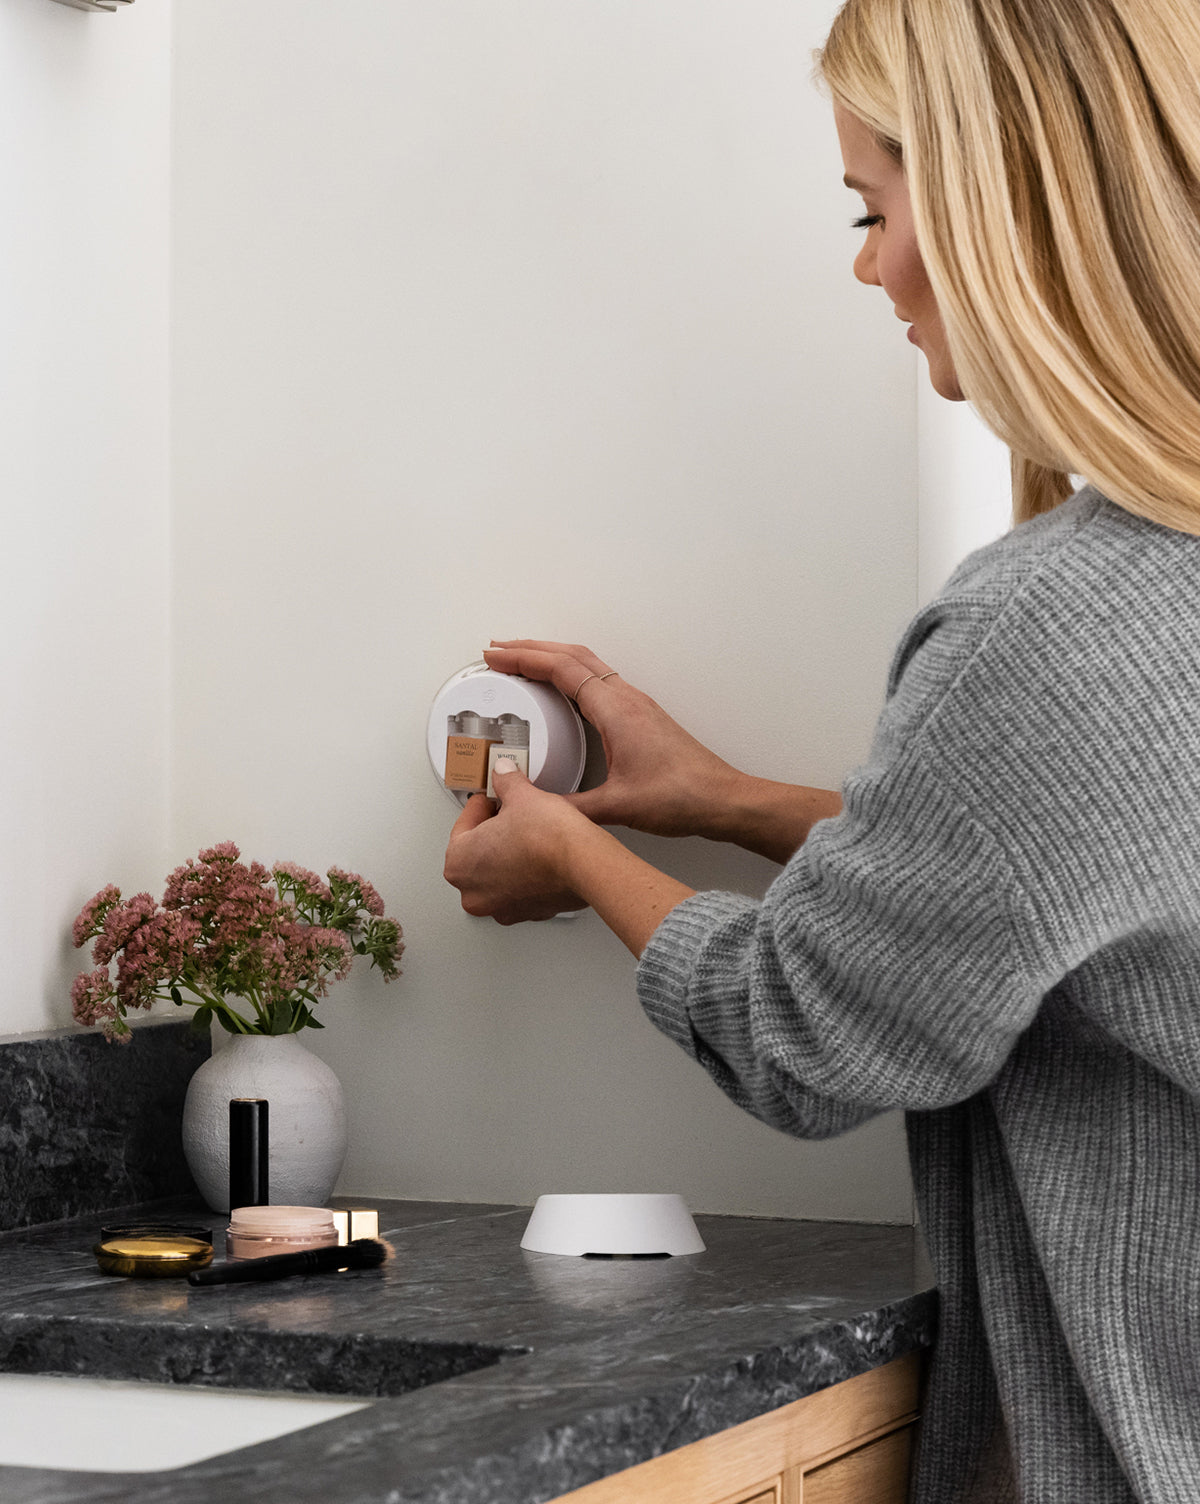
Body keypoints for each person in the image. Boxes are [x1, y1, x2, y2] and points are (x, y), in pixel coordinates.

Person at [443, 1, 1200, 1498]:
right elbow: (1088, 900)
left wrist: (573, 847)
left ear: (1005, 203)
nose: (867, 265)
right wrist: (724, 802)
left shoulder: (1055, 620)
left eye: (873, 207)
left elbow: (808, 1035)